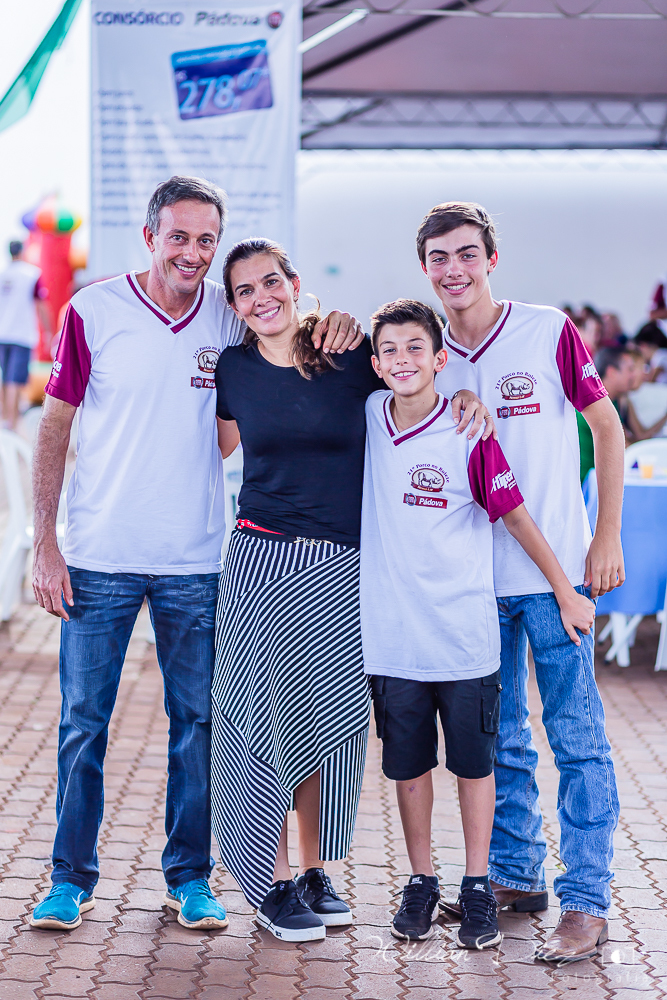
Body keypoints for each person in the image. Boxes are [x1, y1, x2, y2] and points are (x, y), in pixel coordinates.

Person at [29, 176, 363, 933]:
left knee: (199, 727)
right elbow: (55, 426)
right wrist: (46, 542)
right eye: (178, 236)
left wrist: (338, 320)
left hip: (198, 559)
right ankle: (69, 879)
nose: (193, 252)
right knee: (83, 723)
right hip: (99, 555)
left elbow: (288, 334)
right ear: (150, 236)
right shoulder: (93, 310)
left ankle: (190, 877)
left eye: (206, 239)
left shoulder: (228, 312)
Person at [211, 240, 492, 943]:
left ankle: (313, 871)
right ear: (234, 305)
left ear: (293, 283)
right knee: (261, 726)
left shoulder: (347, 356)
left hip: (343, 570)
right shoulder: (232, 369)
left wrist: (463, 395)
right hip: (261, 560)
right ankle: (271, 881)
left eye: (271, 282)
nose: (261, 298)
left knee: (327, 731)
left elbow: (412, 384)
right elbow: (216, 447)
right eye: (245, 290)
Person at [418, 202, 624, 963]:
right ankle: (514, 874)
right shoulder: (427, 352)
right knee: (499, 737)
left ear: (491, 259)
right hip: (475, 582)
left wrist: (604, 535)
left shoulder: (545, 330)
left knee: (576, 738)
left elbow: (607, 428)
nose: (454, 270)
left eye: (466, 254)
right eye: (439, 258)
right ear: (425, 269)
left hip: (556, 575)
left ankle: (586, 900)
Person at [361, 299, 595, 950]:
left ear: (441, 359)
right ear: (374, 365)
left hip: (465, 638)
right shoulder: (369, 417)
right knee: (408, 768)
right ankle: (420, 881)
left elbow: (515, 516)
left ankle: (476, 884)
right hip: (395, 640)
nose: (402, 360)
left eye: (416, 348)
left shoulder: (469, 432)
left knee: (477, 765)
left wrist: (564, 590)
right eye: (389, 351)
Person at [0, 240, 52, 429]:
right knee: (14, 379)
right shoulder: (31, 274)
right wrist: (48, 331)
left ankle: (5, 418)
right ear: (22, 252)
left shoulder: (3, 273)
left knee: (5, 377)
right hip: (21, 334)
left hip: (3, 333)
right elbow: (42, 305)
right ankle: (12, 422)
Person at [577, 347, 635, 480]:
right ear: (612, 372)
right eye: (630, 369)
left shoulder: (613, 401)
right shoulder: (595, 404)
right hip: (587, 484)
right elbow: (625, 448)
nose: (634, 375)